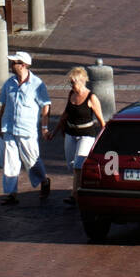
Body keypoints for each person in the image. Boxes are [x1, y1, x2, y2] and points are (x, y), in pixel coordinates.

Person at [0, 51, 52, 205]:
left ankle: (44, 181)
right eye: (12, 62)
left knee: (32, 160)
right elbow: (4, 105)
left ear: (24, 65)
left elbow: (45, 106)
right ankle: (12, 194)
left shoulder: (37, 84)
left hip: (26, 129)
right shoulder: (9, 83)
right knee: (10, 161)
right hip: (9, 128)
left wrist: (44, 127)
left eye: (15, 63)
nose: (12, 65)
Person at [48, 66, 106, 205]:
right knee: (71, 164)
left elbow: (101, 121)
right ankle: (84, 187)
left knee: (78, 165)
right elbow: (64, 115)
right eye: (70, 83)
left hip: (86, 134)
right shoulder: (71, 94)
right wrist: (54, 132)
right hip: (70, 133)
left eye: (73, 82)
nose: (72, 85)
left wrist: (104, 137)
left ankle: (75, 195)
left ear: (82, 81)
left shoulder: (92, 97)